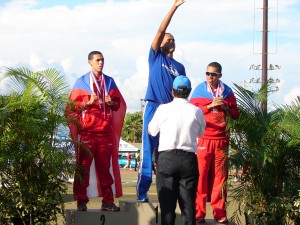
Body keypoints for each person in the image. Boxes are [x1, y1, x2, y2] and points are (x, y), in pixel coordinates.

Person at [136, 0, 186, 202]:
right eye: (167, 39)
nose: (169, 41)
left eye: (173, 39)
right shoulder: (155, 57)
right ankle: (142, 193)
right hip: (153, 106)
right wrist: (174, 7)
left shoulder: (180, 68)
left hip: (170, 111)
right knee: (148, 150)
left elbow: (183, 94)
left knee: (166, 154)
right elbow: (160, 30)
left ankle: (167, 194)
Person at [65, 51, 126, 212]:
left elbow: (118, 105)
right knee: (83, 168)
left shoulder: (109, 81)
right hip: (88, 133)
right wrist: (87, 103)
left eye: (102, 60)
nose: (101, 63)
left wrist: (111, 102)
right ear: (89, 62)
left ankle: (107, 201)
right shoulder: (81, 82)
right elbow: (70, 108)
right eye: (97, 60)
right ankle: (81, 201)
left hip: (105, 133)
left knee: (105, 170)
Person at [148, 75, 206, 225]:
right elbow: (201, 133)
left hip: (167, 158)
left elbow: (151, 131)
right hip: (188, 159)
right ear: (189, 92)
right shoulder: (196, 111)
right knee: (188, 208)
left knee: (167, 209)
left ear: (172, 91)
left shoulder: (163, 109)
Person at [190, 62, 239, 224]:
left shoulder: (227, 92)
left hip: (222, 140)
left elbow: (235, 114)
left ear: (220, 76)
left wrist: (225, 105)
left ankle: (219, 213)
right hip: (204, 138)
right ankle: (199, 212)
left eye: (213, 74)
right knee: (201, 176)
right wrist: (210, 105)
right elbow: (192, 111)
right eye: (208, 74)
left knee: (221, 177)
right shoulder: (199, 90)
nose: (210, 77)